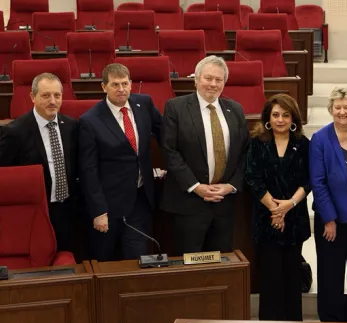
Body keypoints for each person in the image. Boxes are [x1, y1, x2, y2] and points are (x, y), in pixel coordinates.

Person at [161, 56, 249, 254]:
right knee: (188, 266)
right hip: (188, 203)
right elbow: (169, 151)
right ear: (196, 79)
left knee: (220, 264)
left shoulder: (235, 110)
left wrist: (231, 186)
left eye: (219, 80)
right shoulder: (176, 107)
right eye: (208, 78)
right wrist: (196, 187)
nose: (213, 84)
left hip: (223, 204)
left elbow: (244, 153)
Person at [78, 63, 162, 261]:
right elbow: (88, 170)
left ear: (131, 84)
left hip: (140, 200)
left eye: (125, 83)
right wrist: (98, 211)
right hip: (109, 205)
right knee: (106, 262)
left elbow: (165, 135)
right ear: (103, 87)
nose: (121, 89)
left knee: (138, 260)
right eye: (115, 84)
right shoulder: (90, 121)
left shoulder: (145, 104)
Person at [245, 94, 310, 321]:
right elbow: (252, 179)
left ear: (293, 118)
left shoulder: (303, 144)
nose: (280, 119)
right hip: (265, 220)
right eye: (275, 115)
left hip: (294, 219)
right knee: (270, 279)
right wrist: (275, 209)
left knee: (292, 277)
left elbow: (308, 181)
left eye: (285, 115)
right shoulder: (256, 143)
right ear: (267, 118)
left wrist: (289, 205)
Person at [309, 87, 347, 322]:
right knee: (331, 271)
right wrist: (329, 219)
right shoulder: (320, 139)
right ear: (331, 110)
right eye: (337, 107)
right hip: (331, 219)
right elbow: (318, 182)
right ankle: (331, 317)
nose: (342, 112)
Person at [0, 73, 77, 252]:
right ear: (32, 97)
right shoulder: (15, 131)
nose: (52, 101)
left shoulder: (72, 126)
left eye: (57, 95)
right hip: (34, 212)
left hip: (68, 209)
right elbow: (5, 176)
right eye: (45, 95)